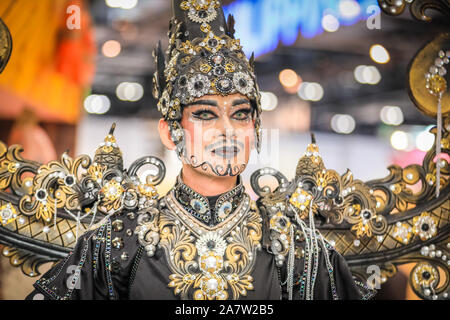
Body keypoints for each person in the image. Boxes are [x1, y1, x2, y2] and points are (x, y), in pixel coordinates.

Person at [25, 0, 375, 300]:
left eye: (241, 114)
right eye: (205, 114)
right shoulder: (118, 241)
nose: (227, 129)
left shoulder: (299, 249)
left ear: (255, 128)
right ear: (169, 131)